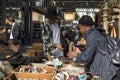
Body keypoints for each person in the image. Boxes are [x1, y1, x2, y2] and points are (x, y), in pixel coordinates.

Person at [68, 15, 120, 80]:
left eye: (80, 27)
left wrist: (76, 56)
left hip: (108, 71)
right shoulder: (95, 34)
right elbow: (93, 52)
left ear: (84, 27)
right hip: (108, 70)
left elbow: (86, 58)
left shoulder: (92, 36)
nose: (80, 30)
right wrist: (80, 53)